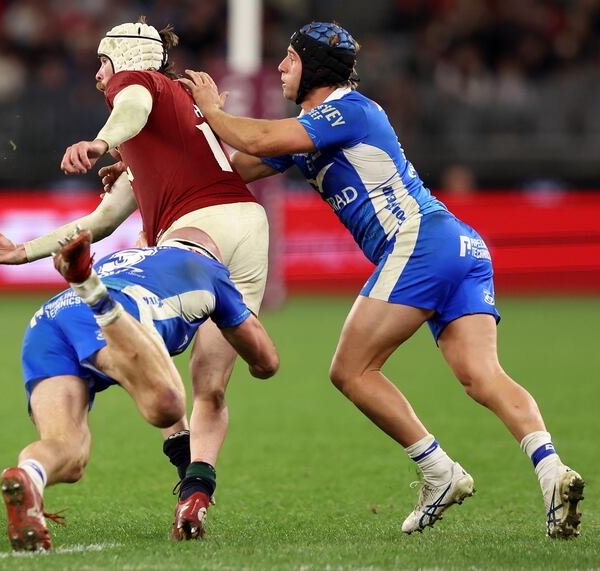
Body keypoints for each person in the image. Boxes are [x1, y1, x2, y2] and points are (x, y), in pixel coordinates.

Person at [177, 21, 584, 538]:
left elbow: (256, 135)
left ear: (316, 69)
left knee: (350, 370)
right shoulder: (309, 129)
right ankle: (552, 473)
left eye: (290, 57)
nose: (280, 66)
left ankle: (439, 471)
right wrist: (144, 164)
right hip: (460, 245)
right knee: (481, 376)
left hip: (421, 243)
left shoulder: (347, 109)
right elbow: (233, 168)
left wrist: (212, 108)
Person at [0, 16, 271, 540]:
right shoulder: (163, 127)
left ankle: (100, 303)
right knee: (212, 387)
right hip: (239, 226)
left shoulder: (139, 86)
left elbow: (129, 103)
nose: (98, 77)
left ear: (121, 59)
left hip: (201, 233)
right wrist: (20, 252)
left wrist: (98, 141)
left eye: (101, 65)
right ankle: (195, 490)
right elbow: (98, 222)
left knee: (171, 400)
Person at [0, 227, 279, 551]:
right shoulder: (210, 270)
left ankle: (28, 476)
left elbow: (150, 373)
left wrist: (190, 478)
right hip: (115, 308)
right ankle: (92, 291)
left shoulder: (127, 257)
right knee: (167, 406)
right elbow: (266, 361)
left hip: (50, 320)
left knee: (70, 454)